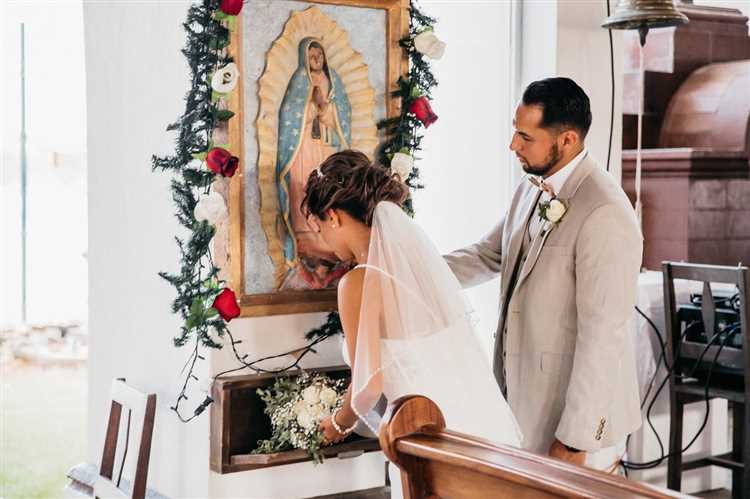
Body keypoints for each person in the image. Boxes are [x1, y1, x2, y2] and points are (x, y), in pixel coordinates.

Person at [445, 77, 643, 471]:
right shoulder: (531, 188)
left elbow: (603, 336)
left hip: (574, 423)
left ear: (567, 140)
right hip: (525, 405)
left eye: (525, 137)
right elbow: (487, 255)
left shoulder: (605, 212)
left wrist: (574, 438)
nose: (512, 146)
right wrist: (405, 270)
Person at [303, 150, 522, 473]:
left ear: (333, 216)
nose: (326, 242)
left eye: (321, 229)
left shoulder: (357, 283)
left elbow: (367, 388)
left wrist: (338, 423)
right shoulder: (421, 273)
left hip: (426, 440)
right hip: (477, 432)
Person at [276, 38, 352, 289]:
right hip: (304, 147)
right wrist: (310, 108)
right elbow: (290, 114)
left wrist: (326, 109)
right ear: (304, 58)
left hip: (327, 147)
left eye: (320, 53)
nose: (317, 58)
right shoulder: (299, 82)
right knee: (302, 190)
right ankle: (307, 241)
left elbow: (342, 119)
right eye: (312, 55)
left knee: (329, 193)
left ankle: (329, 244)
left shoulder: (334, 83)